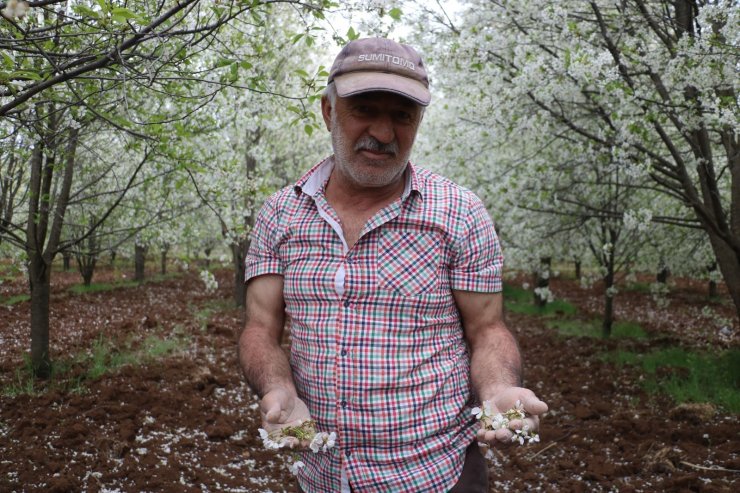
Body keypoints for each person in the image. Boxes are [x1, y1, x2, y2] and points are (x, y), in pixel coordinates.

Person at [238, 37, 548, 493]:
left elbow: (488, 329)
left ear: (418, 122)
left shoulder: (458, 213)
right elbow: (260, 327)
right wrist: (278, 388)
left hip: (436, 475)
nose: (383, 134)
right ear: (328, 112)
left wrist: (499, 389)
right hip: (324, 475)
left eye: (402, 116)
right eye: (364, 109)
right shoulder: (280, 215)